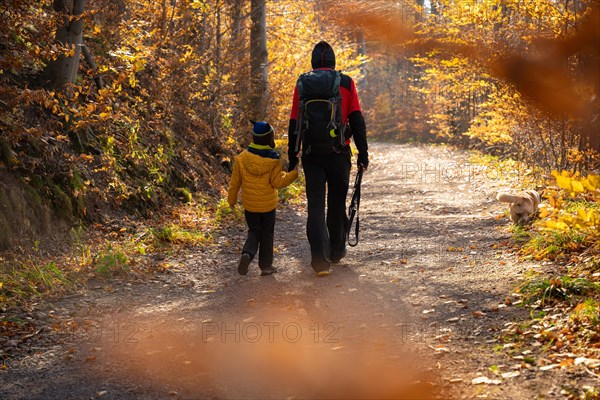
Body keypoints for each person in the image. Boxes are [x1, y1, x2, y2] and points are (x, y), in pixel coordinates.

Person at [287, 41, 369, 276]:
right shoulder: (345, 82)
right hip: (338, 153)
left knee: (315, 205)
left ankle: (319, 262)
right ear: (333, 61)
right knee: (336, 202)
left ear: (313, 61)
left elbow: (295, 122)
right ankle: (335, 251)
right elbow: (356, 120)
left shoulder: (302, 83)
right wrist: (363, 153)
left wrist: (292, 155)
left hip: (312, 154)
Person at [228, 120, 299, 276]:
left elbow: (235, 183)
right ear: (270, 139)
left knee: (254, 232)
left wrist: (231, 200)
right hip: (268, 207)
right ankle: (266, 267)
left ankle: (247, 254)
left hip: (250, 206)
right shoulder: (274, 159)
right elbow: (278, 182)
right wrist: (294, 174)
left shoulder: (241, 158)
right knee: (267, 234)